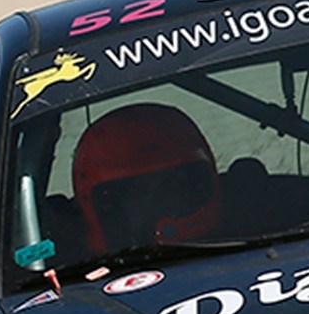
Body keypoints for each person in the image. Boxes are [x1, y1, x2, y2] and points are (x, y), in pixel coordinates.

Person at [71, 103, 221, 252]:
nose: (157, 203)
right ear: (113, 209)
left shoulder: (235, 235)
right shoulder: (78, 265)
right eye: (137, 193)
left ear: (193, 187)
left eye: (169, 186)